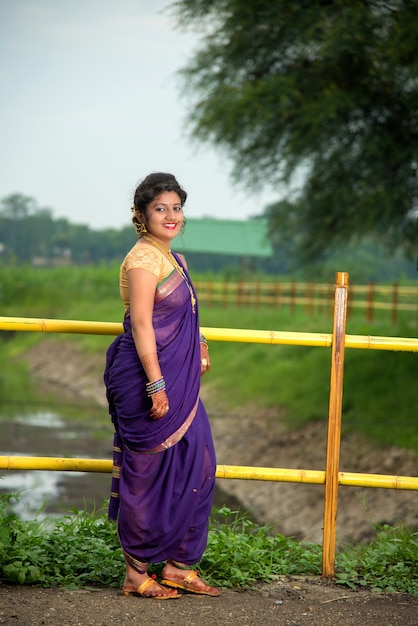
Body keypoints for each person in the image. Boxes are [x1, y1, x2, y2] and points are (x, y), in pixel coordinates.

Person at [103, 172, 219, 600]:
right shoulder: (142, 261)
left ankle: (179, 566)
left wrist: (200, 342)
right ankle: (136, 573)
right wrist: (156, 384)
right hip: (145, 378)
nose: (171, 216)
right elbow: (141, 323)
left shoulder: (177, 261)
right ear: (141, 215)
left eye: (176, 207)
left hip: (181, 380)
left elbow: (188, 313)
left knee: (201, 464)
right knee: (147, 474)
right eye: (160, 208)